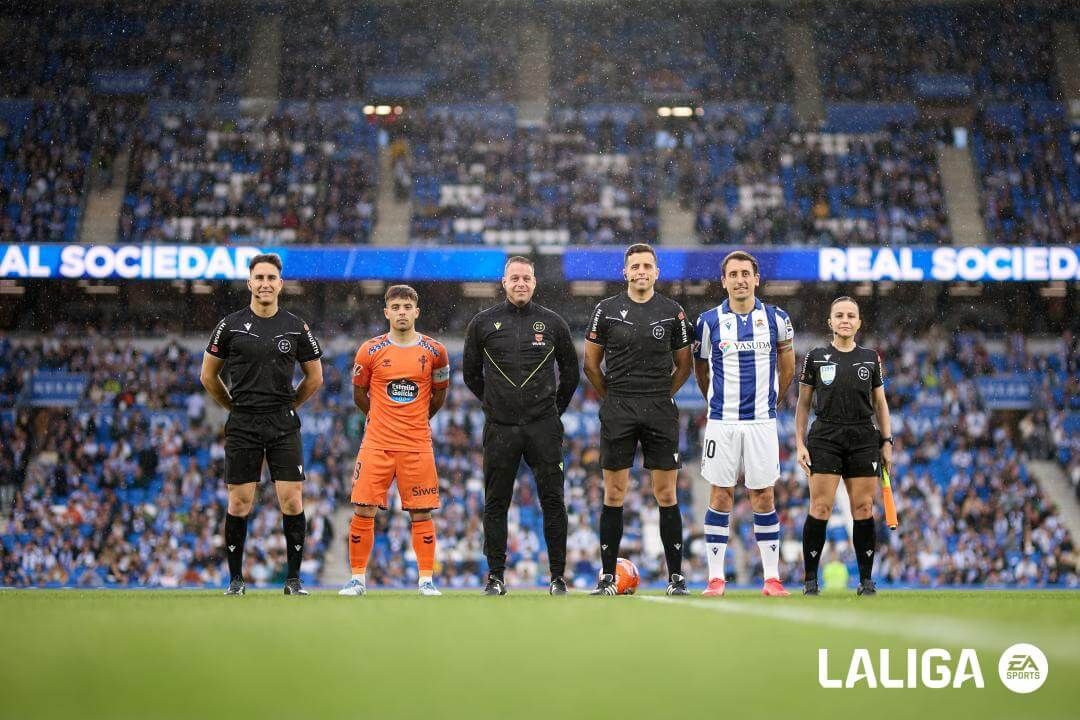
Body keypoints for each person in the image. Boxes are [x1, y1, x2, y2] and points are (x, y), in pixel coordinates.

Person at [200, 253, 324, 596]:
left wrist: (289, 405)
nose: (266, 283)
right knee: (239, 502)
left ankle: (293, 580)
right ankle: (236, 580)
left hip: (283, 423)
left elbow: (315, 377)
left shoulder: (295, 326)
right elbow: (208, 375)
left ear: (280, 284)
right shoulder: (230, 325)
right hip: (243, 422)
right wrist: (232, 406)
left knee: (292, 501)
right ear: (250, 283)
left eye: (272, 278)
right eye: (260, 277)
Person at [463, 256, 580, 596]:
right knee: (496, 503)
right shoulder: (482, 323)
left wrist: (552, 412)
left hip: (543, 428)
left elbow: (570, 374)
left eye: (526, 278)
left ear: (534, 282)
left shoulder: (553, 323)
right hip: (500, 428)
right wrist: (494, 404)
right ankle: (496, 577)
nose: (520, 284)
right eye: (514, 278)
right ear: (504, 282)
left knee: (553, 502)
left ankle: (558, 577)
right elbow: (471, 374)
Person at [583, 243, 693, 595]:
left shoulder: (672, 311)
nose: (641, 271)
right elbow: (591, 364)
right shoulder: (607, 310)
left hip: (659, 408)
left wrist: (662, 394)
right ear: (626, 272)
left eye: (648, 265)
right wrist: (613, 397)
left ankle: (676, 577)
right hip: (619, 408)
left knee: (666, 493)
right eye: (635, 266)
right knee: (613, 493)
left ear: (656, 272)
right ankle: (607, 577)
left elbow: (684, 364)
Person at [693, 250, 795, 597]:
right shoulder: (708, 321)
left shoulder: (777, 318)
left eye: (745, 273)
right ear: (724, 281)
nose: (739, 279)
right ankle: (716, 578)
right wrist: (716, 402)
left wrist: (771, 402)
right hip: (722, 423)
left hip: (761, 423)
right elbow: (702, 370)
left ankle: (771, 578)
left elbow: (787, 365)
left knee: (763, 496)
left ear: (756, 278)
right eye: (732, 274)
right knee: (720, 495)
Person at [339, 285, 450, 597]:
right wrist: (381, 418)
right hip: (377, 443)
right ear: (386, 312)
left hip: (417, 444)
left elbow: (439, 395)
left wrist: (415, 419)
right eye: (396, 307)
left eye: (407, 306)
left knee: (422, 512)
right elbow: (359, 394)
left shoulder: (435, 351)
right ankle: (357, 579)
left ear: (417, 311)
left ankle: (426, 580)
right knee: (363, 509)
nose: (402, 312)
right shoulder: (369, 350)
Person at [795, 296, 893, 596]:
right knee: (820, 506)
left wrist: (887, 440)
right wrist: (800, 443)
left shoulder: (870, 358)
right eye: (839, 315)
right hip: (825, 435)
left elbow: (880, 403)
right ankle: (811, 579)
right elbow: (803, 404)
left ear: (859, 322)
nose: (845, 320)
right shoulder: (815, 357)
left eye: (851, 315)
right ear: (830, 321)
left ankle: (866, 581)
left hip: (863, 437)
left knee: (863, 508)